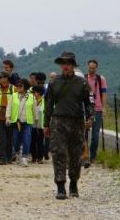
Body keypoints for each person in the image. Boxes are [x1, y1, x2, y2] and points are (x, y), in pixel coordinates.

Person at [44, 52, 93, 200]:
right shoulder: (54, 83)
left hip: (77, 122)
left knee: (75, 154)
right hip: (58, 122)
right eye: (63, 63)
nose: (65, 66)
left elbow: (89, 102)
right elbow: (48, 105)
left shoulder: (82, 83)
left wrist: (90, 117)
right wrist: (46, 124)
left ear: (73, 65)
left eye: (68, 63)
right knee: (58, 153)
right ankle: (60, 186)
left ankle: (73, 183)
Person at [7, 78, 34, 167]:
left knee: (27, 139)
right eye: (17, 85)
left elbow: (34, 109)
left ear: (25, 87)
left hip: (27, 122)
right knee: (16, 140)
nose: (18, 87)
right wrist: (8, 117)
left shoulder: (31, 96)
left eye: (20, 86)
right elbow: (9, 107)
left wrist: (36, 120)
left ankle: (24, 157)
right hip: (15, 121)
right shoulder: (13, 96)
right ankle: (18, 153)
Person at [85, 59, 107, 164]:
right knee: (84, 134)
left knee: (95, 135)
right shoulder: (83, 79)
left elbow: (104, 94)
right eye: (90, 67)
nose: (91, 70)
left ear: (96, 68)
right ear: (87, 67)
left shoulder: (100, 79)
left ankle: (93, 155)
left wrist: (104, 108)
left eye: (93, 68)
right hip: (85, 109)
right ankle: (84, 155)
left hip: (97, 109)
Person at [0, 70, 14, 165]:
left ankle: (9, 157)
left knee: (9, 138)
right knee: (0, 138)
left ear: (6, 78)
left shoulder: (14, 89)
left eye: (1, 77)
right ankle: (2, 159)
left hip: (10, 117)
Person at [30, 85, 46, 164]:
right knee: (32, 141)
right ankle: (33, 157)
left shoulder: (45, 101)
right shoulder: (32, 101)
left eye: (35, 92)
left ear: (39, 93)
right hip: (32, 125)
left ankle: (40, 157)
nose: (33, 93)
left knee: (40, 141)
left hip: (41, 125)